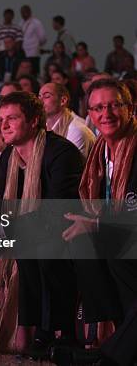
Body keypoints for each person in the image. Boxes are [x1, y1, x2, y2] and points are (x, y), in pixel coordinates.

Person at [0, 92, 84, 359]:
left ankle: (60, 332)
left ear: (33, 121)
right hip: (26, 231)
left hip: (66, 229)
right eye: (2, 119)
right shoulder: (8, 157)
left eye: (12, 118)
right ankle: (34, 331)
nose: (4, 125)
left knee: (41, 250)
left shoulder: (61, 152)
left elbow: (61, 208)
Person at [63, 79, 137, 366]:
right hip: (123, 237)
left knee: (109, 245)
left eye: (114, 105)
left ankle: (114, 353)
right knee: (78, 242)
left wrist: (97, 224)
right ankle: (120, 337)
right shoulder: (100, 152)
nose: (106, 114)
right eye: (98, 108)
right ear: (90, 114)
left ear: (130, 108)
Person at [39, 83, 95, 157]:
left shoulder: (76, 130)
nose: (40, 101)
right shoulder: (42, 127)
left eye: (47, 96)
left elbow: (69, 166)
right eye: (39, 96)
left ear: (63, 101)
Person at [20, 5, 47, 75]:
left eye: (25, 12)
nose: (23, 14)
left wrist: (37, 45)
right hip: (23, 52)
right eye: (22, 12)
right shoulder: (21, 23)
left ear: (29, 12)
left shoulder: (36, 22)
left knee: (34, 73)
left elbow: (43, 37)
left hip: (33, 52)